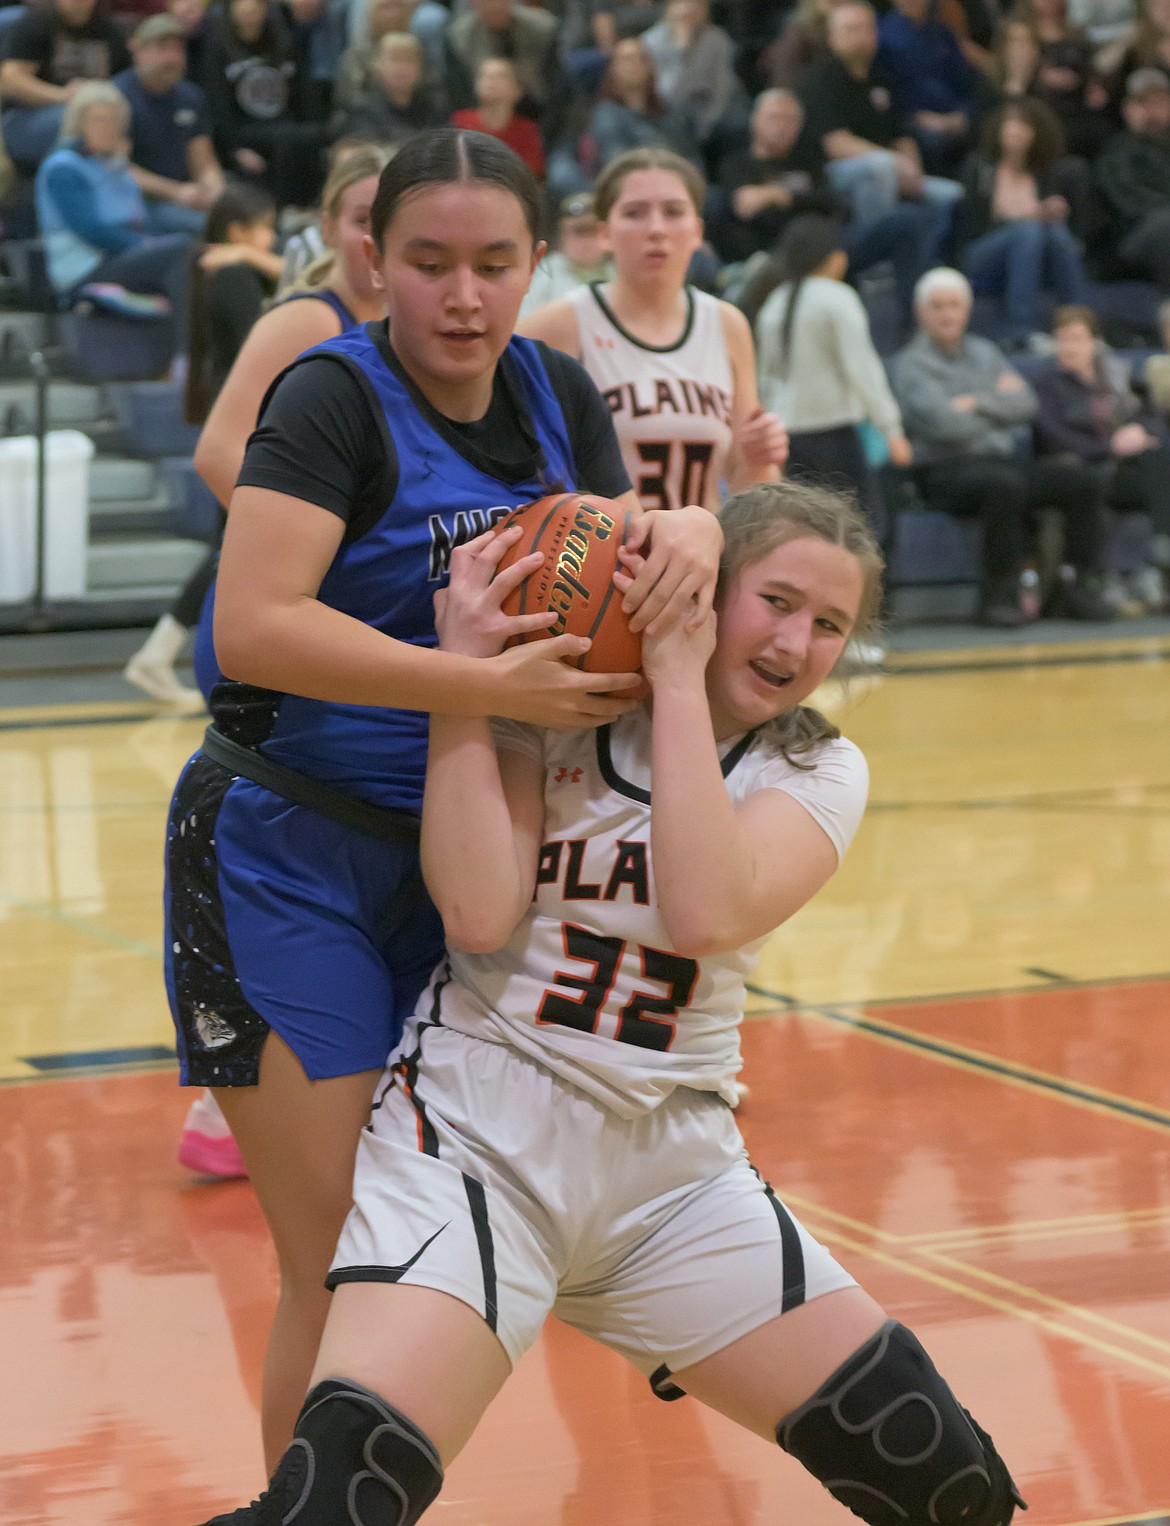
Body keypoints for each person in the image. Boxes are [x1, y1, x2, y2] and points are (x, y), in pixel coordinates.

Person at [195, 479, 1027, 1526]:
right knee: (339, 1498)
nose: (799, 640)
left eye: (831, 624)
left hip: (673, 1172)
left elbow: (704, 907)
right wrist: (469, 682)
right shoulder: (559, 709)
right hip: (479, 1145)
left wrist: (679, 677)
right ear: (703, 589)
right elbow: (478, 907)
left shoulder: (818, 765)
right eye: (775, 601)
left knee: (946, 1482)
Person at [164, 127, 723, 1468]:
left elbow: (612, 570)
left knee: (443, 1238)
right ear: (371, 257)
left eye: (490, 263)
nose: (461, 297)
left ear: (539, 260)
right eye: (426, 263)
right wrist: (465, 678)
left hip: (475, 849)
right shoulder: (330, 397)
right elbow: (253, 625)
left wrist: (699, 533)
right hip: (285, 851)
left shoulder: (552, 390)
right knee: (342, 1252)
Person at [124, 145, 392, 713]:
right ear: (326, 227)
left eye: (389, 216)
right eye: (360, 219)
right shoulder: (310, 318)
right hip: (288, 607)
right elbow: (217, 452)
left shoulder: (411, 329)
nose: (375, 235)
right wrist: (326, 557)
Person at [520, 146, 789, 515]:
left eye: (673, 212)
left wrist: (759, 457)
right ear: (604, 233)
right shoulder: (557, 324)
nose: (656, 229)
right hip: (595, 563)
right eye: (634, 213)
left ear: (697, 231)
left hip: (699, 562)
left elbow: (747, 488)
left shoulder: (727, 325)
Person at [890, 266, 1116, 624]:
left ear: (967, 309)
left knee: (1084, 482)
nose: (948, 314)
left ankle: (1071, 587)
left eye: (954, 305)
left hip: (1000, 461)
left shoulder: (984, 351)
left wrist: (974, 402)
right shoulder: (909, 364)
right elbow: (944, 425)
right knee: (1004, 486)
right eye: (938, 306)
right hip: (942, 471)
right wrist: (995, 409)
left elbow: (1025, 403)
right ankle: (998, 598)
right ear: (921, 312)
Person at [753, 215, 912, 514]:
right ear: (835, 258)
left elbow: (765, 379)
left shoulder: (773, 302)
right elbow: (863, 368)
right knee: (862, 529)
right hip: (834, 436)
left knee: (802, 528)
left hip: (788, 436)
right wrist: (891, 430)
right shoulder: (837, 298)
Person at [1031, 304, 1169, 610]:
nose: (1070, 347)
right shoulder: (1047, 384)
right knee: (1097, 480)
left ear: (1095, 341)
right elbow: (1054, 436)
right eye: (1063, 339)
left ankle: (1161, 557)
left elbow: (1147, 417)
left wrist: (1137, 432)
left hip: (1119, 469)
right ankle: (1097, 579)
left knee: (1161, 456)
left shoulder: (1115, 376)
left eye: (1078, 338)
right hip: (1073, 469)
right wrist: (1110, 446)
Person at [34, 81, 193, 322]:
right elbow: (92, 231)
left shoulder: (116, 166)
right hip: (88, 268)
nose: (108, 128)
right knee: (179, 251)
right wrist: (147, 245)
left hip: (123, 255)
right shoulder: (63, 168)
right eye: (98, 120)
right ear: (78, 123)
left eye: (114, 121)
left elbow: (140, 219)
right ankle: (185, 351)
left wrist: (150, 243)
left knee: (196, 254)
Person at [799, 1, 962, 235]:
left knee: (952, 195)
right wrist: (895, 161)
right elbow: (836, 144)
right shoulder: (820, 79)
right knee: (880, 169)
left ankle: (935, 264)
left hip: (889, 169)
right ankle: (878, 255)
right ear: (832, 37)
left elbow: (901, 133)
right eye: (851, 29)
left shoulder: (881, 76)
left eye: (867, 28)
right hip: (833, 174)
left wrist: (912, 169)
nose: (861, 36)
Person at [955, 98, 1091, 345]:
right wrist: (1024, 217)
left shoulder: (1047, 173)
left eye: (1023, 124)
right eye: (1010, 122)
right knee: (1028, 230)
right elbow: (970, 225)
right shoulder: (980, 167)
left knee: (1057, 232)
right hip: (980, 254)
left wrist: (1052, 211)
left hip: (1031, 255)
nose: (1015, 130)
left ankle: (1078, 326)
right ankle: (1020, 329)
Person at [200, 0, 325, 210]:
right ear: (230, 10)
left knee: (314, 136)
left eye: (256, 6)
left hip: (283, 124)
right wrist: (234, 150)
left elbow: (304, 95)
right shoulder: (217, 47)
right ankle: (283, 211)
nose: (250, 11)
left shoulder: (284, 42)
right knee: (287, 140)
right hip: (244, 131)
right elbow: (217, 106)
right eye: (243, 5)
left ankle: (310, 209)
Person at [113, 13, 225, 239]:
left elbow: (204, 162)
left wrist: (216, 192)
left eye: (178, 49)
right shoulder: (116, 98)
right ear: (138, 51)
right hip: (140, 201)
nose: (171, 58)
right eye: (162, 48)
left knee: (240, 214)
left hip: (186, 195)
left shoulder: (191, 97)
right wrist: (177, 192)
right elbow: (118, 168)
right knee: (209, 228)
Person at [0, 0, 131, 172]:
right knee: (79, 120)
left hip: (96, 109)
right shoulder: (37, 22)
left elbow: (126, 81)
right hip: (27, 117)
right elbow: (10, 81)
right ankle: (66, 181)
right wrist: (63, 95)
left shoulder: (109, 31)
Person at [876, 0, 980, 176]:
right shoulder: (883, 36)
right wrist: (917, 117)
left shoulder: (943, 34)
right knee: (937, 143)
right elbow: (886, 90)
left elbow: (966, 81)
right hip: (912, 120)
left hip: (955, 115)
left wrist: (962, 114)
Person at [1096, 67, 1170, 288]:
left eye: (1160, 102)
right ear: (1128, 109)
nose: (1153, 112)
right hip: (1134, 234)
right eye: (1144, 103)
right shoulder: (1116, 152)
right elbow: (1129, 203)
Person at [639, 0, 745, 149]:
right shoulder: (651, 42)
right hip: (667, 115)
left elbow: (723, 89)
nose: (690, 9)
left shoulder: (717, 39)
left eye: (697, 4)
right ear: (671, 7)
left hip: (710, 113)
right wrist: (680, 53)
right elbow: (667, 95)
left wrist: (707, 125)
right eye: (683, 3)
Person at [586, 35, 699, 171]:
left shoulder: (673, 113)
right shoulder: (606, 114)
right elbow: (618, 164)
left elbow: (691, 158)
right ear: (613, 69)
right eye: (627, 59)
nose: (635, 64)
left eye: (642, 58)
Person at [330, 31, 447, 145]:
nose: (401, 68)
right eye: (394, 59)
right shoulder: (361, 111)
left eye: (408, 60)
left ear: (421, 67)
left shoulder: (436, 108)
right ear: (377, 64)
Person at [519, 190, 612, 316]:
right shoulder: (546, 271)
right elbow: (524, 321)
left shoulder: (621, 270)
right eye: (578, 232)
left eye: (591, 231)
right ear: (562, 236)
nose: (585, 241)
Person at [451, 56, 545, 179]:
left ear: (517, 90)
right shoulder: (458, 122)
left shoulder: (527, 130)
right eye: (484, 75)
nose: (490, 80)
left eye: (500, 76)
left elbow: (531, 176)